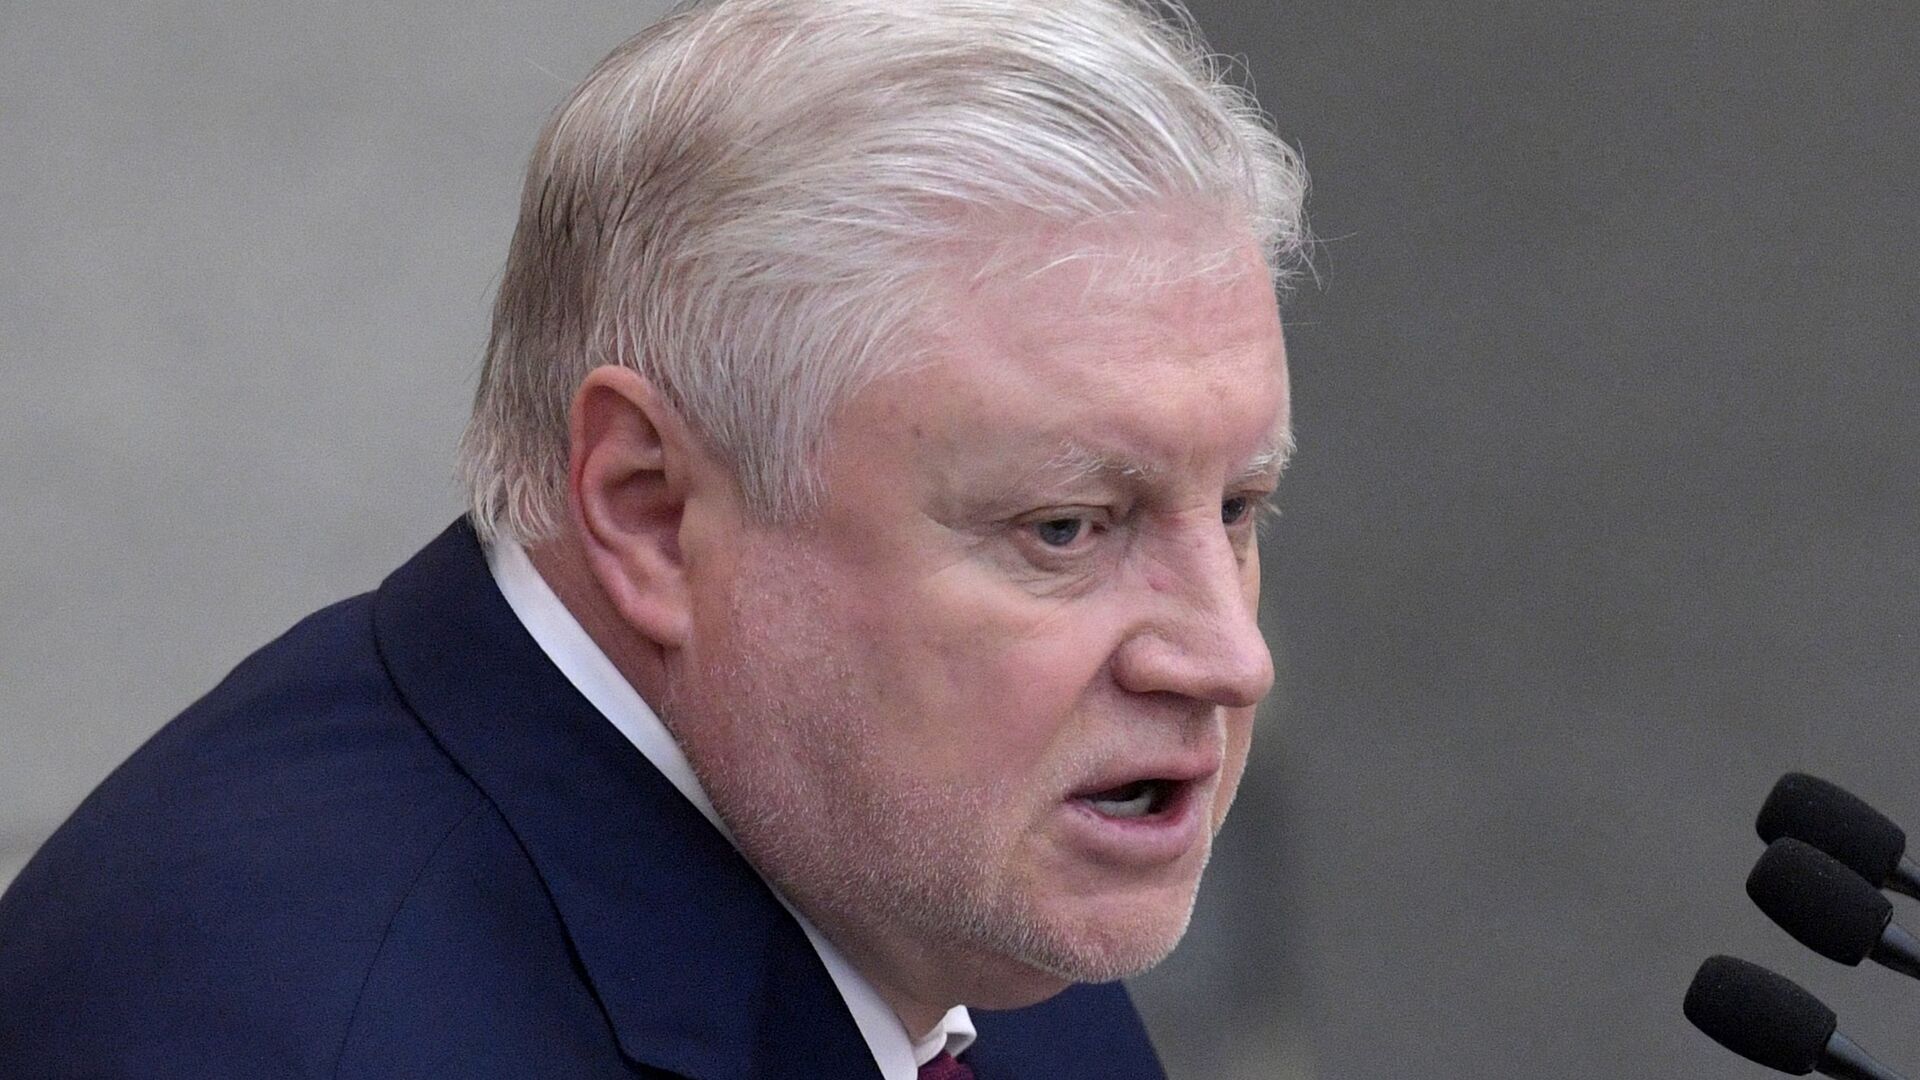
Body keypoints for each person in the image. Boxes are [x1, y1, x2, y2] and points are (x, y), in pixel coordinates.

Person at [0, 0, 1307, 1076]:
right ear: (651, 512)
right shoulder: (296, 1028)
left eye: (1237, 508)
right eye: (1066, 529)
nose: (1227, 656)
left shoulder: (942, 885)